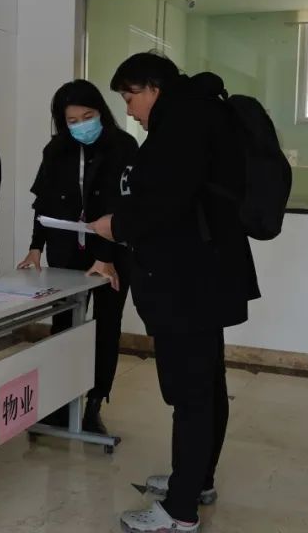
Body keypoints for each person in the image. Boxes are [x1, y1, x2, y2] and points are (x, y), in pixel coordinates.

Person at [90, 52, 259, 533]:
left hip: (189, 284)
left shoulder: (182, 123)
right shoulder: (201, 113)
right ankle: (196, 479)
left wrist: (116, 224)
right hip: (207, 278)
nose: (129, 111)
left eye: (130, 98)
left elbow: (164, 202)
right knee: (206, 385)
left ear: (152, 88)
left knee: (191, 394)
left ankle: (180, 511)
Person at [17, 79, 138, 435]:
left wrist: (105, 255)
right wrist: (35, 247)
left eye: (88, 117)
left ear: (100, 112)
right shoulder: (56, 150)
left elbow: (125, 205)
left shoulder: (123, 145)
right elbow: (43, 203)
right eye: (72, 121)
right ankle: (60, 404)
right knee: (64, 326)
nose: (82, 125)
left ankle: (95, 403)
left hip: (113, 254)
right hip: (67, 252)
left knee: (106, 326)